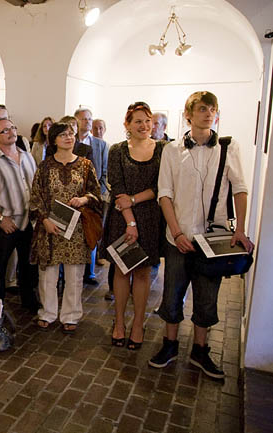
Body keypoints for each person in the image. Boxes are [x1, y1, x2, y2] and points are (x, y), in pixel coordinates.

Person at [149, 91, 253, 379]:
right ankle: (169, 344)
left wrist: (240, 229)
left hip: (213, 239)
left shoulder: (228, 148)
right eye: (203, 109)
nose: (209, 114)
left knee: (207, 297)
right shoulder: (172, 150)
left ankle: (200, 350)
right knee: (172, 294)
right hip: (178, 237)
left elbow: (240, 189)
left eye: (213, 110)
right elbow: (165, 194)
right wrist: (176, 232)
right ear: (188, 115)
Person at [103, 102, 165, 350]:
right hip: (122, 217)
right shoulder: (117, 150)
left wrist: (135, 199)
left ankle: (138, 324)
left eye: (148, 120)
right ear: (127, 125)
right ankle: (119, 323)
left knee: (143, 272)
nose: (144, 125)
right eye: (138, 121)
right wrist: (130, 220)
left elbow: (162, 186)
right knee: (122, 270)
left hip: (150, 216)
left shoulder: (162, 149)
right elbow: (117, 187)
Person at [30, 122, 101, 333]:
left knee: (74, 276)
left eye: (71, 134)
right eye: (63, 135)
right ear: (53, 140)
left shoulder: (86, 165)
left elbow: (96, 193)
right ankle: (47, 313)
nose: (69, 137)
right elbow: (35, 197)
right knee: (47, 275)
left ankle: (71, 315)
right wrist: (45, 220)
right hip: (49, 227)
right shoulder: (44, 167)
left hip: (76, 228)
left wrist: (84, 199)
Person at [0, 118, 39, 312]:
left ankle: (29, 303)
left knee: (28, 266)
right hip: (6, 224)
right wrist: (0, 219)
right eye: (5, 130)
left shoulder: (28, 157)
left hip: (29, 222)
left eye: (13, 128)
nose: (11, 132)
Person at [75, 108, 109, 286]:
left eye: (90, 119)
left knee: (92, 231)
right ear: (76, 121)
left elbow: (104, 171)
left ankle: (90, 272)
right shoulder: (70, 141)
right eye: (84, 119)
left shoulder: (100, 144)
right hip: (73, 196)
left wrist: (97, 193)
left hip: (94, 196)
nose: (88, 122)